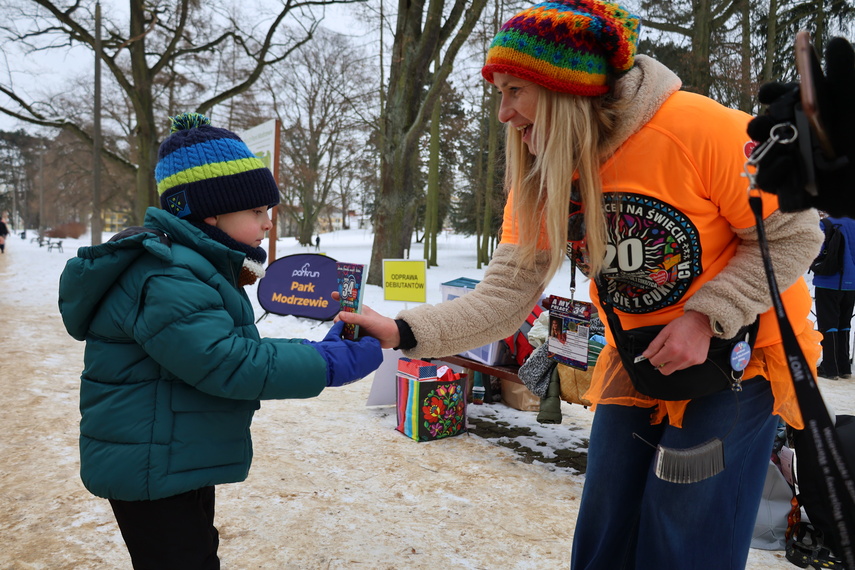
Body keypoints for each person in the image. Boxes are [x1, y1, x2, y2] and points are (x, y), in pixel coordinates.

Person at [338, 2, 824, 568]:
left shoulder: (700, 129)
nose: (503, 114)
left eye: (514, 91)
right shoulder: (545, 172)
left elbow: (795, 235)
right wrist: (401, 330)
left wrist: (705, 316)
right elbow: (505, 295)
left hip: (739, 362)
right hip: (638, 359)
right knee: (606, 521)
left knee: (683, 525)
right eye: (498, 92)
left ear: (564, 89)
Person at [57, 112, 382, 570]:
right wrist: (326, 363)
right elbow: (226, 363)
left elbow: (213, 344)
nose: (268, 223)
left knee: (193, 552)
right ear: (208, 212)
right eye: (256, 211)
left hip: (172, 453)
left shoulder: (188, 267)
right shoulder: (166, 275)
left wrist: (316, 342)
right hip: (150, 464)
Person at [814, 214, 855, 380]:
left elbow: (814, 249)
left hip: (828, 281)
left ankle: (830, 367)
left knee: (828, 324)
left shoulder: (826, 224)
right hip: (852, 284)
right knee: (844, 323)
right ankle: (844, 366)